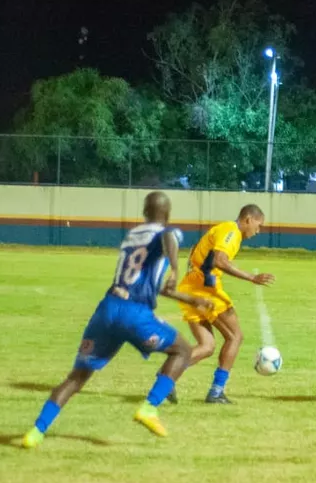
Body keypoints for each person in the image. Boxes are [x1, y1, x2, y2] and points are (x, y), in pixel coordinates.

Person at [22, 192, 211, 449]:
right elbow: (168, 237)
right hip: (134, 313)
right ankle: (149, 407)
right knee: (183, 351)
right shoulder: (166, 233)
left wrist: (190, 300)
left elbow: (154, 286)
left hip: (107, 309)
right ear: (166, 214)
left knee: (77, 377)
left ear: (144, 212)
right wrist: (176, 269)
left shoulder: (132, 237)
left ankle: (36, 432)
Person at [177, 204, 275, 404]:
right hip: (205, 292)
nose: (258, 231)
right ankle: (216, 391)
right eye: (258, 225)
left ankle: (167, 377)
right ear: (248, 219)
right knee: (235, 337)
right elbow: (220, 261)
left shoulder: (223, 230)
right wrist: (251, 277)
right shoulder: (231, 231)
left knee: (207, 346)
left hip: (189, 289)